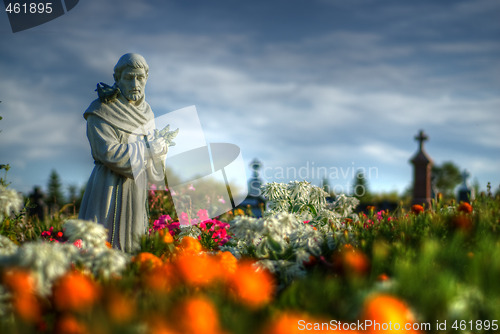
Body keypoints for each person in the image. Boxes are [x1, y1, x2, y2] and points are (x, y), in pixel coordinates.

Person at [79, 53, 167, 252]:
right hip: (107, 186)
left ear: (146, 79)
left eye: (140, 77)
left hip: (135, 187)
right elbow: (106, 152)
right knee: (102, 244)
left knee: (133, 244)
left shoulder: (148, 113)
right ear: (117, 79)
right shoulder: (101, 109)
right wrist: (148, 151)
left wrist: (160, 153)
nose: (135, 83)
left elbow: (152, 164)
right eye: (129, 77)